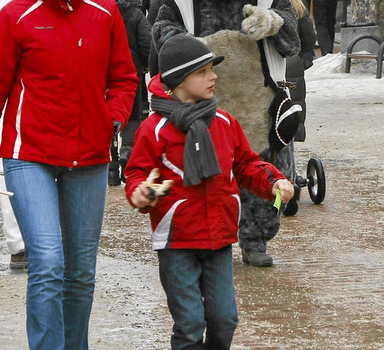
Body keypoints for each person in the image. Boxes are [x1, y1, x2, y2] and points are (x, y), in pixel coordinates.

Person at [0, 0, 138, 350]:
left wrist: (111, 118)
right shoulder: (16, 16)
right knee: (48, 263)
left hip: (89, 157)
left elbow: (125, 78)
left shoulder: (105, 11)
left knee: (80, 269)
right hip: (28, 156)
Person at [125, 34, 294, 349]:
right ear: (178, 79)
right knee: (190, 324)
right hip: (176, 241)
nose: (213, 76)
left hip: (219, 238)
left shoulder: (225, 122)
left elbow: (246, 164)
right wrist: (140, 191)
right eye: (203, 71)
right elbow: (136, 173)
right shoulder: (154, 129)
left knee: (225, 318)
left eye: (211, 69)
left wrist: (273, 181)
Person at [95, 0, 151, 186]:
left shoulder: (96, 10)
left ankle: (111, 166)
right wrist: (146, 64)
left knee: (106, 114)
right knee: (132, 114)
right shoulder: (135, 11)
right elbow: (146, 41)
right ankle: (128, 150)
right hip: (130, 70)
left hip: (101, 71)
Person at [262, 0, 315, 149]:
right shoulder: (296, 3)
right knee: (291, 105)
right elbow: (309, 37)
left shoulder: (260, 2)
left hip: (268, 63)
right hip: (292, 66)